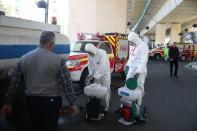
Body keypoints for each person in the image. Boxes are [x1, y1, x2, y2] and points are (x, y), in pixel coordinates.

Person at [1, 31, 77, 131]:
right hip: (51, 103)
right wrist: (72, 103)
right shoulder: (58, 60)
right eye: (53, 44)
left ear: (40, 42)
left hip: (31, 102)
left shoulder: (24, 58)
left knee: (35, 127)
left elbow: (14, 84)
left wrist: (8, 103)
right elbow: (67, 84)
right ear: (51, 43)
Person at [126, 32, 149, 115]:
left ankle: (137, 108)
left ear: (135, 39)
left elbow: (144, 60)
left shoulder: (143, 46)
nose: (131, 44)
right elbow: (132, 57)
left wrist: (138, 72)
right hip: (132, 70)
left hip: (140, 72)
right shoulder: (135, 46)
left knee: (138, 89)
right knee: (128, 87)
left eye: (131, 42)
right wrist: (127, 65)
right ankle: (128, 106)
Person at [85, 44, 111, 111]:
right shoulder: (90, 55)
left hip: (105, 75)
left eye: (90, 52)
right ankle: (98, 104)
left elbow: (103, 66)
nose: (90, 54)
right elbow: (90, 65)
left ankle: (107, 106)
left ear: (93, 49)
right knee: (97, 91)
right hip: (96, 76)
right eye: (89, 53)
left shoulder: (102, 53)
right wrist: (90, 74)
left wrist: (95, 76)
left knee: (106, 90)